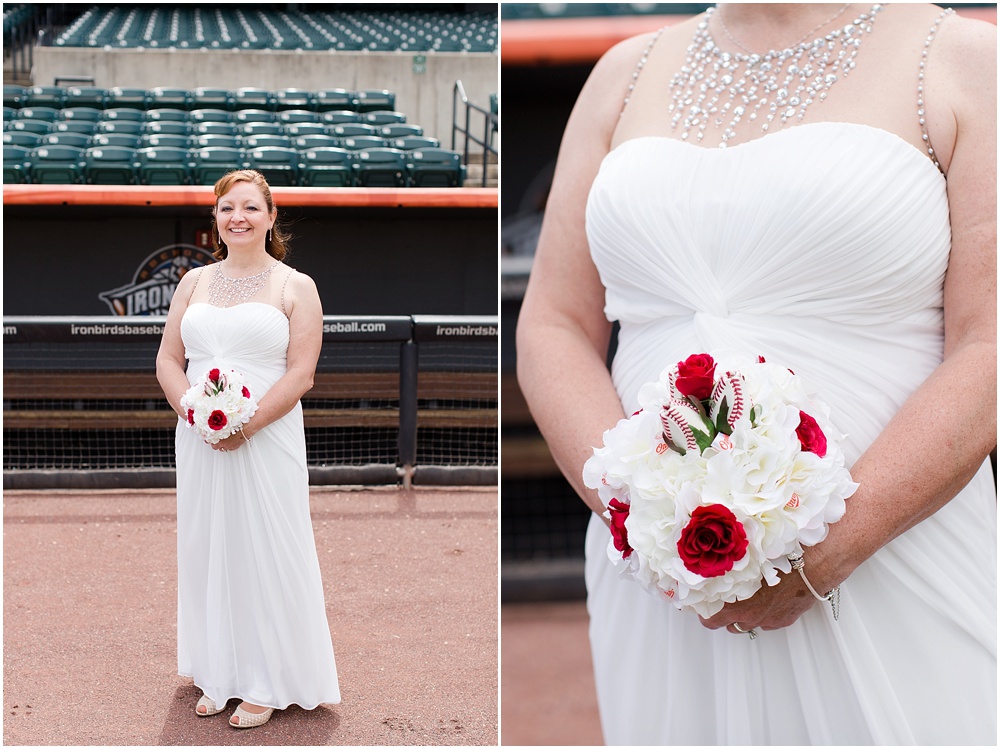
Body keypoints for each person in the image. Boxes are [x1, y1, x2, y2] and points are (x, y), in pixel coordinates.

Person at [516, 3, 995, 744]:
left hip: (895, 555)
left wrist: (832, 546)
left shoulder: (964, 59)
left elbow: (987, 342)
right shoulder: (623, 73)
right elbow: (553, 323)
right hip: (666, 582)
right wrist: (640, 513)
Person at [156, 169, 340, 728]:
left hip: (266, 437)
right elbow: (167, 360)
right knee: (210, 546)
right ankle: (218, 673)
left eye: (250, 208)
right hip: (200, 438)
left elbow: (301, 373)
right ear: (214, 218)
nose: (238, 216)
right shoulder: (192, 283)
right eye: (227, 208)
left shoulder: (295, 286)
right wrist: (194, 412)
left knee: (268, 547)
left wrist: (246, 425)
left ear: (270, 216)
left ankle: (267, 678)